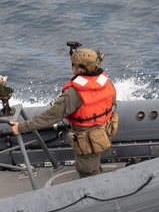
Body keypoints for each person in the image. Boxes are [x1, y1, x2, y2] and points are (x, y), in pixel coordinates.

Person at [10, 42, 117, 177]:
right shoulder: (106, 83)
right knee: (94, 160)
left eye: (74, 64)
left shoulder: (73, 94)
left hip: (87, 137)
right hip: (104, 130)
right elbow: (111, 101)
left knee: (87, 170)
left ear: (80, 69)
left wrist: (21, 127)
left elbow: (49, 117)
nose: (72, 67)